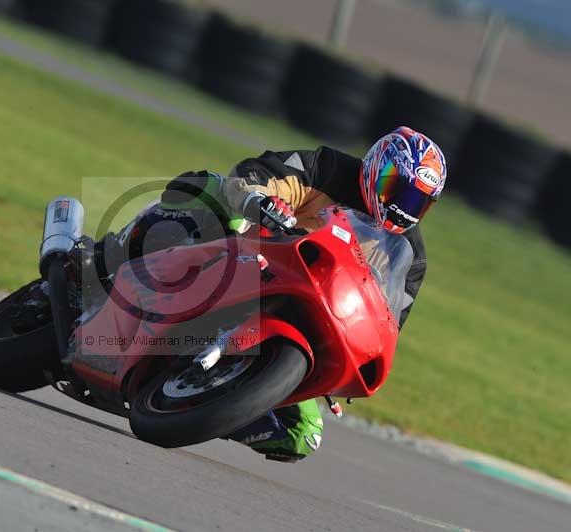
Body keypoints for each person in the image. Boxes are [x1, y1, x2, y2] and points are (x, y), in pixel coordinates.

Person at [84, 126, 447, 462]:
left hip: (304, 310)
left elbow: (385, 323)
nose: (401, 205)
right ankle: (109, 260)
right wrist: (260, 201)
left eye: (418, 201)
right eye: (396, 187)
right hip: (249, 255)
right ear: (375, 166)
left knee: (302, 433)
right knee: (210, 190)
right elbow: (254, 173)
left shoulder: (409, 256)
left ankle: (207, 406)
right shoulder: (326, 168)